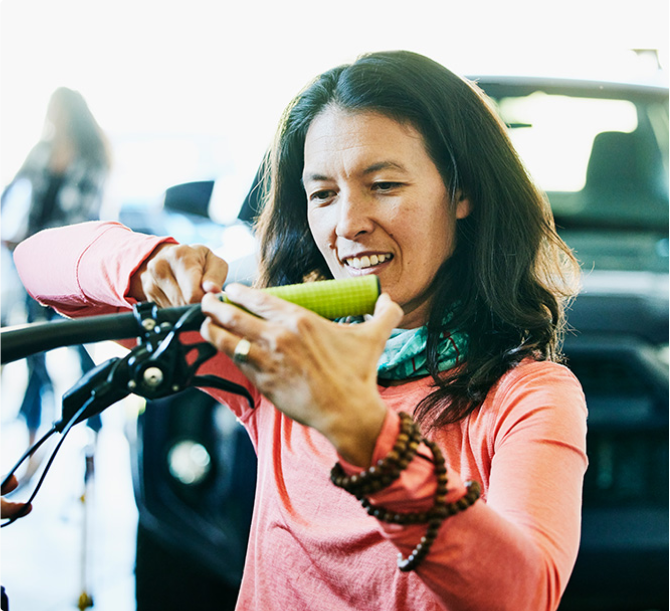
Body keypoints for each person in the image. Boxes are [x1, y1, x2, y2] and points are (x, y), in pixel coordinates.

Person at [12, 50, 587, 610]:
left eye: (384, 185)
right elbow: (39, 265)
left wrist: (363, 432)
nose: (347, 225)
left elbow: (525, 593)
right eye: (323, 194)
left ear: (463, 194)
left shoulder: (530, 395)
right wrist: (144, 264)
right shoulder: (279, 351)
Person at [0, 86, 111, 459]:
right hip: (33, 266)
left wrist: (35, 240)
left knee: (77, 346)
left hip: (68, 266)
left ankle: (92, 437)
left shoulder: (92, 157)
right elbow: (13, 188)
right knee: (34, 354)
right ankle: (31, 449)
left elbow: (85, 216)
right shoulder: (42, 150)